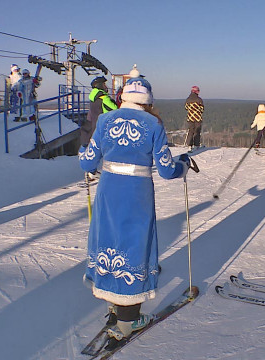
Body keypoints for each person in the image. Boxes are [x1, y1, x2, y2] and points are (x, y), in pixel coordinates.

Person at [79, 66, 191, 348]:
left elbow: (87, 162)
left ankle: (114, 308)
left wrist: (84, 154)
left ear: (123, 97)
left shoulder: (105, 121)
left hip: (108, 190)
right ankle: (128, 321)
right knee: (134, 246)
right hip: (137, 193)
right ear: (147, 100)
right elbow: (166, 169)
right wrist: (184, 165)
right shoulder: (153, 124)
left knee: (109, 241)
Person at [80, 75, 118, 147]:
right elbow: (116, 110)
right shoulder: (104, 98)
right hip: (105, 129)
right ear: (100, 85)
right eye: (104, 84)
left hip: (95, 129)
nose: (106, 87)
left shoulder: (93, 98)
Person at [185, 85, 204, 152]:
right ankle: (196, 145)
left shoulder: (188, 99)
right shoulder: (199, 100)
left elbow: (186, 108)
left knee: (190, 131)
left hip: (190, 118)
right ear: (196, 91)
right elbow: (202, 109)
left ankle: (189, 145)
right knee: (197, 131)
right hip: (198, 118)